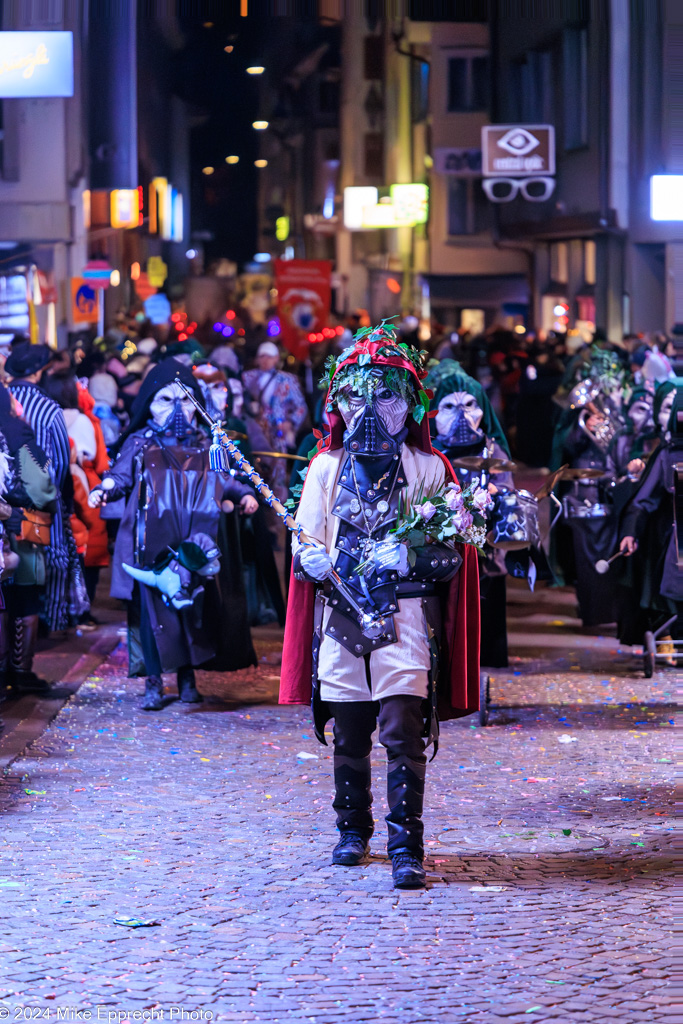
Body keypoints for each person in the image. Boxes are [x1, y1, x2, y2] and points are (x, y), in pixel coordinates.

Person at [280, 325, 481, 889]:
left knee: (402, 729)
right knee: (348, 732)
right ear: (339, 402)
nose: (370, 409)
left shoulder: (428, 468)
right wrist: (309, 559)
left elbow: (452, 555)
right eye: (357, 396)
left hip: (407, 620)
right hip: (340, 620)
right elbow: (308, 542)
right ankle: (352, 830)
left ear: (408, 403)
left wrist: (411, 554)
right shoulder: (324, 468)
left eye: (386, 396)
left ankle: (405, 844)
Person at [89, 361, 259, 711]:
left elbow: (224, 478)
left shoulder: (206, 443)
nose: (177, 410)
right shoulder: (140, 442)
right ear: (150, 402)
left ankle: (186, 677)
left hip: (193, 544)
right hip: (148, 544)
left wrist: (243, 494)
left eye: (184, 400)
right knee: (151, 616)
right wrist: (104, 489)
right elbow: (118, 476)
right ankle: (154, 680)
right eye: (166, 400)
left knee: (189, 611)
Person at [426, 359, 515, 668]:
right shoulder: (429, 453)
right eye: (450, 407)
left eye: (469, 405)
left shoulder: (491, 450)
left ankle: (487, 654)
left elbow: (506, 485)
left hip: (484, 543)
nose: (462, 415)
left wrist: (494, 495)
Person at [5, 343, 88, 632]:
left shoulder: (4, 398)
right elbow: (61, 465)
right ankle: (48, 623)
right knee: (47, 562)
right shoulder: (48, 408)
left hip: (7, 502)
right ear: (39, 373)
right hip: (38, 502)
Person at [0, 386, 58, 693]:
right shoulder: (18, 432)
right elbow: (41, 488)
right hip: (19, 528)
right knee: (25, 598)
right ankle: (19, 672)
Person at [243, 341, 308, 500]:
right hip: (255, 431)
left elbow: (300, 407)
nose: (265, 360)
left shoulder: (287, 380)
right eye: (262, 357)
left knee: (277, 471)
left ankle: (278, 513)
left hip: (277, 433)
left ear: (276, 359)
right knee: (255, 468)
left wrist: (290, 423)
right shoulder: (247, 378)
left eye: (269, 357)